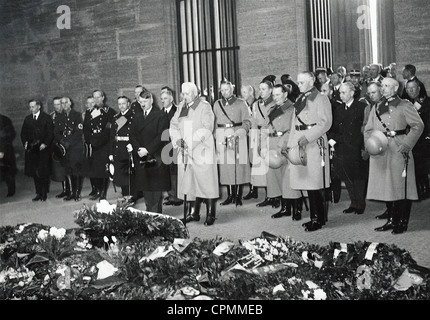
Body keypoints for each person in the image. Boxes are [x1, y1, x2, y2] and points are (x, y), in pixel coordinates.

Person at [366, 78, 424, 234]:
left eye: (386, 86)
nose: (383, 89)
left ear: (395, 88)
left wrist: (407, 144)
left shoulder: (405, 105)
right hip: (381, 149)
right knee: (387, 186)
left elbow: (418, 126)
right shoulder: (377, 106)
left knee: (401, 186)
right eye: (382, 86)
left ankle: (402, 222)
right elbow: (368, 128)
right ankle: (391, 219)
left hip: (398, 148)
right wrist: (371, 144)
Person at [287, 72, 332, 232]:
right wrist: (290, 145)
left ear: (311, 81)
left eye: (301, 82)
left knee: (314, 183)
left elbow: (325, 123)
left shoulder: (321, 98)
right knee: (307, 182)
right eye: (298, 82)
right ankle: (314, 216)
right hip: (299, 141)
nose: (298, 85)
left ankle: (318, 219)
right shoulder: (300, 99)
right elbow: (294, 124)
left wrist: (308, 137)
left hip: (313, 142)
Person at [169, 82, 219, 226]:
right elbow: (173, 125)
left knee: (206, 181)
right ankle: (193, 213)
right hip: (184, 149)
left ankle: (210, 214)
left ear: (194, 93)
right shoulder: (181, 107)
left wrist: (189, 144)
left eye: (186, 94)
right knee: (189, 181)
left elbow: (207, 127)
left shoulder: (205, 106)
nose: (183, 97)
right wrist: (179, 141)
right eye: (182, 94)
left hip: (201, 149)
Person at [261, 84, 302, 220]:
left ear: (285, 94)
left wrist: (282, 144)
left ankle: (297, 209)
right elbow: (266, 128)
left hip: (286, 144)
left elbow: (293, 129)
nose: (275, 97)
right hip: (272, 143)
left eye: (278, 94)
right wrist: (263, 145)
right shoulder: (272, 109)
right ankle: (285, 208)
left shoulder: (292, 108)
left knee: (289, 177)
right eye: (273, 95)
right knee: (277, 176)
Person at [129, 91, 170, 213]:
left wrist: (148, 149)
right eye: (140, 102)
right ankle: (149, 215)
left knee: (156, 191)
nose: (142, 104)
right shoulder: (137, 116)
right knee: (146, 188)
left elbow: (162, 136)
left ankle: (156, 217)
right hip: (141, 156)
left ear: (151, 100)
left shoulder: (160, 115)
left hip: (155, 156)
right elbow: (132, 135)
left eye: (145, 102)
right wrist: (138, 149)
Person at [330, 82, 367, 215]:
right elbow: (333, 128)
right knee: (347, 176)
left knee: (358, 177)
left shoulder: (362, 107)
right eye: (340, 92)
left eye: (344, 92)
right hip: (342, 147)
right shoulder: (339, 109)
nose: (341, 95)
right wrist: (332, 140)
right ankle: (353, 203)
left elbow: (365, 129)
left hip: (356, 148)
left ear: (352, 93)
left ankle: (360, 204)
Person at [214, 80, 251, 207]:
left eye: (227, 90)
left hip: (237, 134)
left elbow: (247, 121)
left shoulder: (241, 103)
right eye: (222, 90)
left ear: (232, 90)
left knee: (238, 166)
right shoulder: (217, 104)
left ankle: (238, 195)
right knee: (226, 167)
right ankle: (230, 195)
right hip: (222, 136)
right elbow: (214, 122)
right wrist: (216, 136)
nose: (225, 92)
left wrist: (240, 132)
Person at [245, 78, 278, 207]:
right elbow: (253, 121)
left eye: (264, 89)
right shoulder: (256, 104)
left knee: (271, 166)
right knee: (262, 168)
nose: (261, 91)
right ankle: (268, 195)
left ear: (270, 90)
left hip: (269, 135)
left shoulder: (275, 104)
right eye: (260, 89)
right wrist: (254, 138)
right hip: (258, 135)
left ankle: (276, 196)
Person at [83, 90, 116, 201]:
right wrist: (90, 140)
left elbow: (110, 130)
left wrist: (100, 140)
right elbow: (86, 128)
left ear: (103, 98)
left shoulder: (110, 112)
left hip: (104, 144)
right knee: (95, 169)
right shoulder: (90, 112)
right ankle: (97, 191)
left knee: (103, 170)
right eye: (94, 97)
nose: (96, 99)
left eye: (98, 97)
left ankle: (103, 193)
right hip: (94, 144)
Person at [20, 99, 54, 201]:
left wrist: (45, 143)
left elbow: (50, 133)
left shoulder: (46, 118)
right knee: (35, 172)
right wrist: (25, 142)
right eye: (30, 107)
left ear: (39, 106)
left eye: (33, 106)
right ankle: (38, 193)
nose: (31, 109)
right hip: (32, 150)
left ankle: (44, 193)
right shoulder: (28, 119)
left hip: (43, 149)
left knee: (43, 172)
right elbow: (23, 133)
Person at [55, 97, 85, 201]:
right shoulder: (59, 116)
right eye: (62, 103)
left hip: (75, 147)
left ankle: (77, 193)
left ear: (70, 103)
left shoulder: (77, 115)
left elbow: (78, 132)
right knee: (68, 170)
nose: (64, 105)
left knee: (76, 171)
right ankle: (71, 192)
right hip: (64, 148)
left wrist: (69, 143)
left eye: (66, 103)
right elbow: (56, 132)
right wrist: (62, 143)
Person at [109, 96, 137, 204]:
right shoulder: (116, 117)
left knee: (130, 176)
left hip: (128, 148)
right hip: (118, 149)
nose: (121, 106)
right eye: (119, 104)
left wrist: (133, 146)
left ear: (128, 103)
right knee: (121, 176)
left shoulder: (133, 116)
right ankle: (125, 196)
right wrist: (110, 152)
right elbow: (112, 136)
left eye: (123, 103)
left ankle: (131, 198)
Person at [405, 79, 430, 200]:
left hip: (424, 140)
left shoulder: (427, 102)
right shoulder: (406, 103)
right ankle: (420, 189)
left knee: (423, 167)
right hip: (412, 139)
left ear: (419, 89)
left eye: (413, 88)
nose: (410, 91)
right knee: (416, 167)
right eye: (408, 89)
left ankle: (425, 189)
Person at [160, 87, 183, 206]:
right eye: (162, 99)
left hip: (174, 145)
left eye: (165, 98)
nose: (163, 101)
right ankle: (171, 194)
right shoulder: (161, 111)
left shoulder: (177, 110)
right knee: (167, 171)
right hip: (164, 146)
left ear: (171, 98)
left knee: (175, 171)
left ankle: (178, 196)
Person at [321, 82, 342, 203]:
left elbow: (338, 125)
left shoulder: (336, 106)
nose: (323, 93)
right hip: (322, 139)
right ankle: (326, 193)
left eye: (325, 90)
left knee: (334, 169)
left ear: (331, 92)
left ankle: (335, 194)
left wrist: (333, 139)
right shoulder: (319, 105)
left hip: (333, 140)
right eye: (321, 91)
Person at [50, 97, 70, 198]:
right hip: (57, 146)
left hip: (66, 145)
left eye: (58, 104)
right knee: (60, 169)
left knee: (68, 168)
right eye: (55, 105)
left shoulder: (67, 115)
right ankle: (65, 189)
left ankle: (72, 190)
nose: (57, 107)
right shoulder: (52, 116)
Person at [82, 96, 99, 197]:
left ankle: (98, 190)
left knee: (96, 167)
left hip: (96, 144)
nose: (90, 105)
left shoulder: (98, 112)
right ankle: (94, 188)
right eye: (88, 103)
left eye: (92, 102)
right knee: (90, 166)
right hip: (89, 144)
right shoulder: (87, 113)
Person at [0, 113, 17, 197]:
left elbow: (10, 135)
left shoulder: (4, 120)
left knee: (8, 172)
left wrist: (2, 150)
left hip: (5, 150)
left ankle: (11, 190)